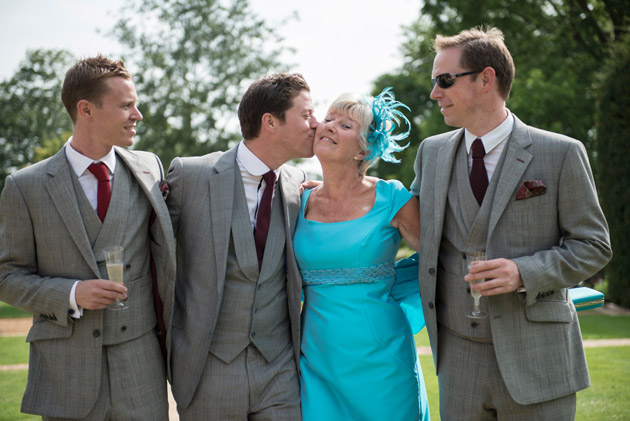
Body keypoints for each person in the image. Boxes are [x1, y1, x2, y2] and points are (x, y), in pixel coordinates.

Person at [411, 26, 612, 419]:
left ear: (486, 78)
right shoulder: (430, 153)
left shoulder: (562, 152)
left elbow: (594, 246)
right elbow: (405, 218)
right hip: (458, 361)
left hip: (537, 359)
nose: (434, 93)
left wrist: (524, 272)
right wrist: (334, 188)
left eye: (444, 80)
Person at [0, 55, 176, 419]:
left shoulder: (150, 167)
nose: (137, 115)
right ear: (86, 109)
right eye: (126, 105)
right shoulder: (25, 187)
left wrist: (304, 192)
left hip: (140, 371)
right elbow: (6, 277)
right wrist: (71, 294)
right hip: (67, 373)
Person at [166, 73, 318, 419]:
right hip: (208, 368)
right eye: (307, 114)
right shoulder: (190, 176)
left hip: (279, 368)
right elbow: (149, 252)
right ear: (270, 122)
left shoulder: (299, 184)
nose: (317, 123)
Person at [294, 89, 429, 420]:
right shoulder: (296, 201)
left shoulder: (392, 198)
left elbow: (443, 259)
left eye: (345, 125)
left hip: (382, 359)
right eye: (327, 119)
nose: (328, 126)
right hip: (316, 360)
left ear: (364, 149)